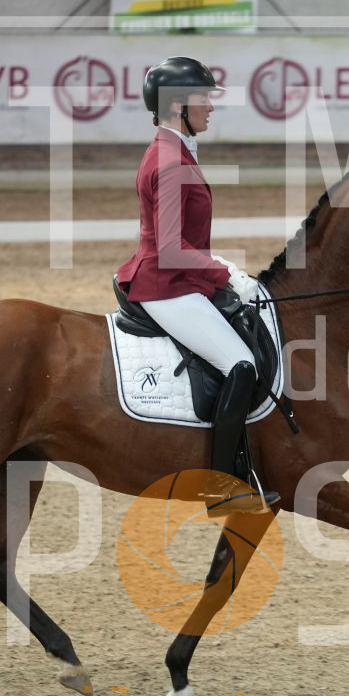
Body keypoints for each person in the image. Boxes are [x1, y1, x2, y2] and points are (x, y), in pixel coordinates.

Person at [116, 56, 279, 515]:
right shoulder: (170, 160)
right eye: (203, 97)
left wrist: (215, 265)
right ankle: (222, 488)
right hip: (166, 284)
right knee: (242, 365)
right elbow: (170, 248)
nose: (211, 105)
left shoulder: (176, 149)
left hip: (180, 277)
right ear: (178, 105)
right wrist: (225, 274)